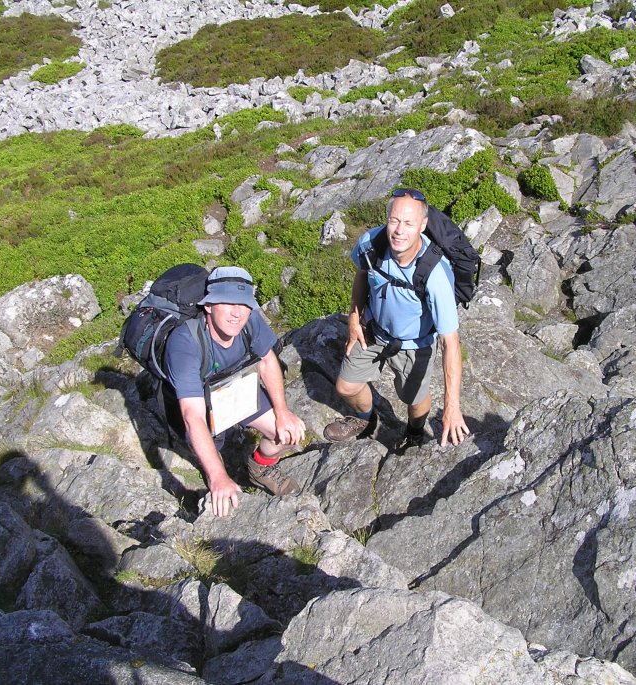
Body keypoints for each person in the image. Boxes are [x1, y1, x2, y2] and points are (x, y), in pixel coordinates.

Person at [323, 188, 470, 450]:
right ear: (387, 218)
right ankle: (364, 420)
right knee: (346, 387)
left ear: (422, 225)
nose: (399, 230)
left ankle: (414, 431)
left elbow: (451, 343)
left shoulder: (435, 274)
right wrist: (354, 318)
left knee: (414, 399)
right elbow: (362, 274)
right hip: (373, 331)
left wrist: (452, 407)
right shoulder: (372, 242)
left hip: (414, 345)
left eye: (409, 223)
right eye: (394, 220)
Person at [163, 266, 305, 517]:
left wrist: (282, 413)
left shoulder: (249, 319)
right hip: (202, 400)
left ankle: (258, 468)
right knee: (212, 457)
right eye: (227, 302)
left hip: (236, 387)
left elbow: (267, 360)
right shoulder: (185, 342)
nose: (237, 313)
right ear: (208, 305)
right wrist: (218, 476)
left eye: (244, 303)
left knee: (286, 435)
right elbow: (192, 415)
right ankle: (215, 473)